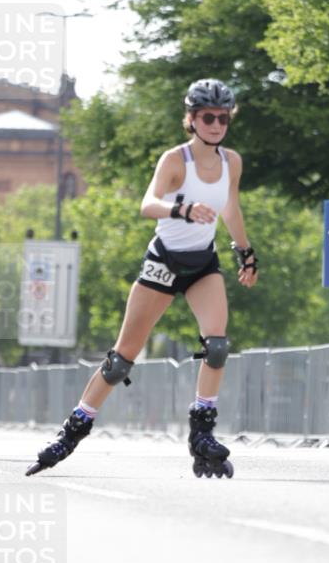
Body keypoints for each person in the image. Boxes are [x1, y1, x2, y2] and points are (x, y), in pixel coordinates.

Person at [26, 79, 258, 479]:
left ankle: (201, 433)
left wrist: (245, 252)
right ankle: (72, 431)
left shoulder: (231, 162)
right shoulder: (176, 160)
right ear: (191, 119)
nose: (217, 125)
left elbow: (231, 208)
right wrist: (182, 210)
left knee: (217, 346)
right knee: (121, 360)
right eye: (208, 117)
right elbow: (148, 204)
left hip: (202, 264)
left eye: (224, 118)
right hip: (163, 262)